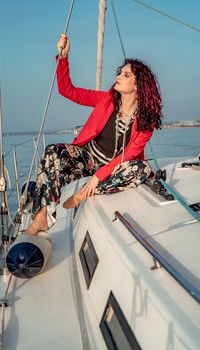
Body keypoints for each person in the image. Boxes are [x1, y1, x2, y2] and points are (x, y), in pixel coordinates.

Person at [25, 34, 162, 235]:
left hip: (113, 168)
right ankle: (41, 217)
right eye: (120, 72)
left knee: (141, 168)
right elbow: (68, 91)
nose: (118, 77)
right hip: (87, 158)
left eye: (125, 75)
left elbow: (129, 155)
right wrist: (63, 57)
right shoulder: (105, 99)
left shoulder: (145, 121)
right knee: (53, 151)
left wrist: (97, 178)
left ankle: (85, 194)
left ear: (137, 86)